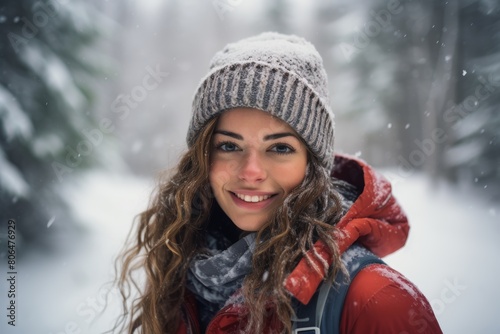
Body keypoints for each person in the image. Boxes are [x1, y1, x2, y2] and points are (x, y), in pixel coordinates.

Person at [115, 32, 442, 334]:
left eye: (280, 148)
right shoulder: (182, 270)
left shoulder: (378, 301)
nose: (251, 171)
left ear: (312, 165)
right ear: (202, 157)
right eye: (229, 145)